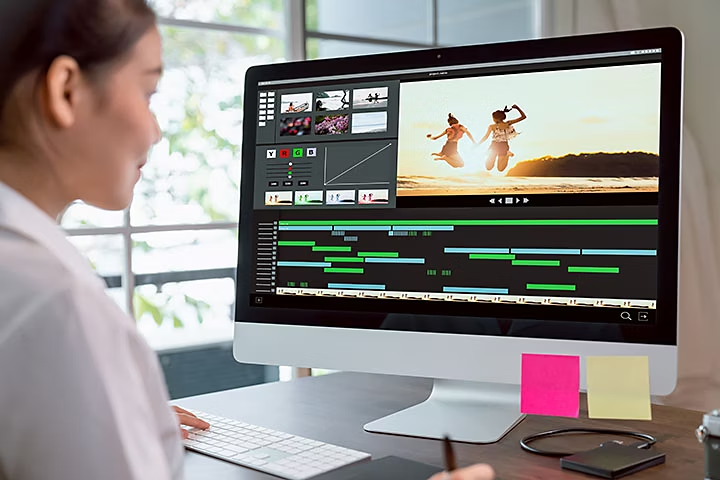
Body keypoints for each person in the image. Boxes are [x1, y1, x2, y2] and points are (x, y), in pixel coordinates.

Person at [0, 2, 496, 479]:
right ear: (66, 90)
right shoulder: (56, 305)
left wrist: (109, 422)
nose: (154, 131)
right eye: (148, 93)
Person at [478, 104, 526, 172]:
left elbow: (485, 137)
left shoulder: (493, 126)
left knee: (492, 168)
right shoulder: (507, 123)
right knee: (495, 168)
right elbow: (523, 117)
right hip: (501, 146)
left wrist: (478, 144)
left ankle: (507, 155)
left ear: (496, 118)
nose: (493, 119)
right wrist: (517, 108)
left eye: (493, 118)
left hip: (496, 146)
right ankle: (507, 154)